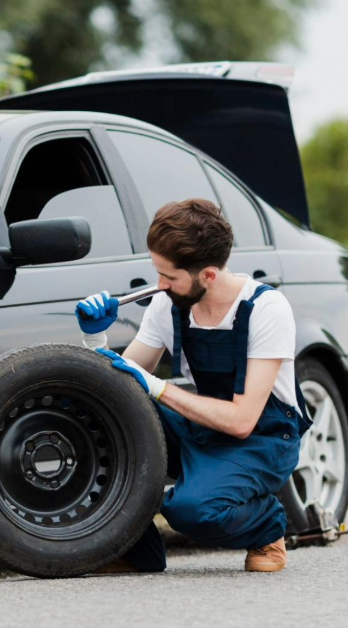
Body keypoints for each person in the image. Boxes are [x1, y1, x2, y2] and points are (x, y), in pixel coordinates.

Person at [75, 198, 311, 573]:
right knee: (102, 414)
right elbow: (119, 384)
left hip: (262, 439)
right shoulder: (168, 303)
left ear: (209, 276)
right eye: (158, 271)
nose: (159, 284)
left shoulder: (267, 309)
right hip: (203, 424)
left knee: (191, 511)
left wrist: (157, 388)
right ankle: (135, 551)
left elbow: (242, 421)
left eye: (169, 276)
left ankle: (267, 525)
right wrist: (95, 340)